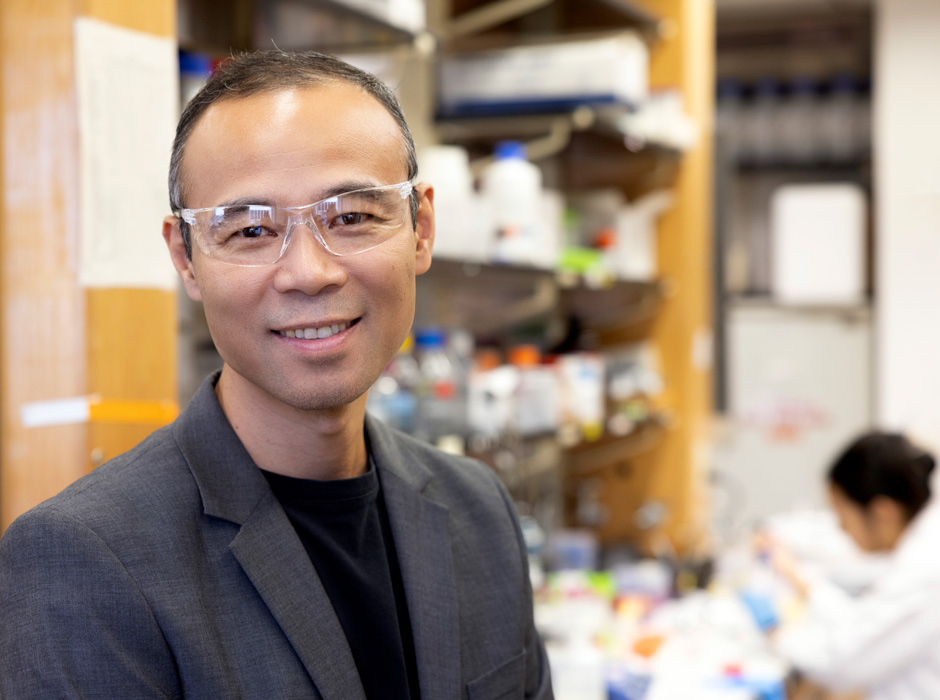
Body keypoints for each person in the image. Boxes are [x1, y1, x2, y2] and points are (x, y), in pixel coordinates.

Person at [0, 50, 552, 699]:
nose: (309, 272)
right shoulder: (83, 560)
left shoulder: (477, 509)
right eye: (252, 230)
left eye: (350, 217)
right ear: (186, 258)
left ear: (421, 228)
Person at [763, 431, 940, 700]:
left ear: (883, 511)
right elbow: (863, 626)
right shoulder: (929, 552)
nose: (842, 528)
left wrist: (773, 636)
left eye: (842, 513)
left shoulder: (935, 566)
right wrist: (798, 580)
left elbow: (843, 663)